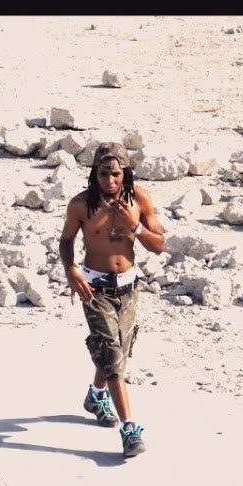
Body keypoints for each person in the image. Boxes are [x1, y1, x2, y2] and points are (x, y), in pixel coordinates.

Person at [58, 142, 166, 457]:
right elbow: (66, 240)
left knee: (118, 353)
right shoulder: (81, 205)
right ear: (95, 173)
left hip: (129, 288)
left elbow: (159, 245)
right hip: (95, 288)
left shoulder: (139, 199)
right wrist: (71, 271)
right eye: (104, 174)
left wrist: (135, 227)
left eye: (116, 174)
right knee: (111, 354)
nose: (110, 181)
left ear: (125, 173)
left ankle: (96, 395)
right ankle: (130, 430)